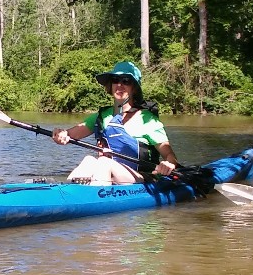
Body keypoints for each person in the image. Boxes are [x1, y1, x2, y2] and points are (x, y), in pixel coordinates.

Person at [51, 61, 180, 184]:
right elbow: (71, 134)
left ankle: (95, 200)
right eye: (115, 80)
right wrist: (61, 134)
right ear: (110, 86)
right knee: (89, 160)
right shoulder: (102, 116)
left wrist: (168, 164)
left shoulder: (147, 120)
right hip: (108, 174)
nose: (119, 85)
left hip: (141, 177)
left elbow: (169, 155)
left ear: (134, 88)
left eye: (126, 81)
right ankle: (66, 193)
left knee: (104, 163)